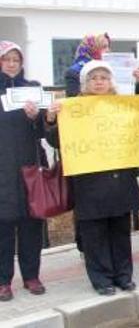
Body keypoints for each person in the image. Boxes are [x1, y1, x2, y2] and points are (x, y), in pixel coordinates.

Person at [46, 61, 139, 295]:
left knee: (120, 231)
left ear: (111, 82)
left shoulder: (123, 106)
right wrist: (51, 120)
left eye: (103, 77)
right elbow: (55, 141)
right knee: (94, 234)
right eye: (94, 78)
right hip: (89, 183)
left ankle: (123, 276)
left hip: (119, 180)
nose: (99, 82)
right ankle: (101, 279)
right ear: (85, 83)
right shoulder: (74, 108)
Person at [0, 41, 46, 301]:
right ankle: (3, 280)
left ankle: (31, 276)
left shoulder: (33, 89)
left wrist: (34, 117)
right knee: (3, 227)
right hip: (2, 168)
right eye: (7, 59)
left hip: (29, 166)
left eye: (16, 59)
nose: (12, 64)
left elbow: (44, 132)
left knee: (31, 224)